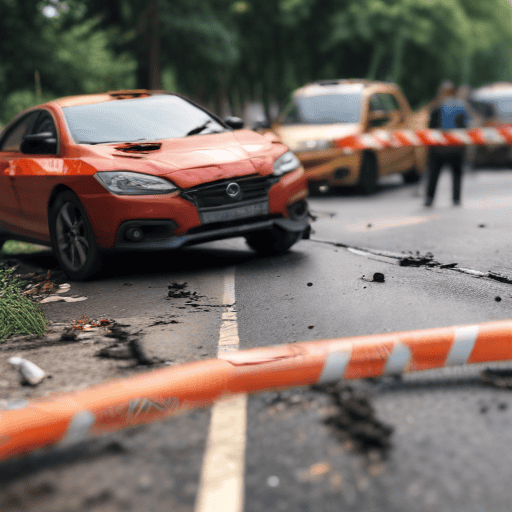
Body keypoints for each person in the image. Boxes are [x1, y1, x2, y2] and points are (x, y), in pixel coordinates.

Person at [424, 81, 469, 206]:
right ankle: (456, 198)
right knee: (457, 174)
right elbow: (465, 126)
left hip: (438, 148)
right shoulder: (460, 106)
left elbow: (430, 126)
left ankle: (429, 198)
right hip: (456, 148)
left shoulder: (436, 106)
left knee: (433, 174)